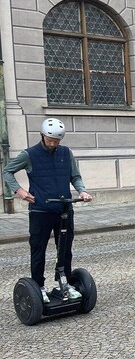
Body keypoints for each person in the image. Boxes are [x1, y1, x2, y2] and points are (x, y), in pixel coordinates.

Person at [2, 118, 93, 303]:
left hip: (64, 210)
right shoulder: (29, 154)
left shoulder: (66, 153)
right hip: (40, 211)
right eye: (50, 139)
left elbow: (75, 176)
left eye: (56, 141)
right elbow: (7, 171)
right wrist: (19, 191)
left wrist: (82, 191)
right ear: (42, 136)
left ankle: (64, 283)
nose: (53, 143)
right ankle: (39, 286)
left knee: (65, 250)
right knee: (38, 250)